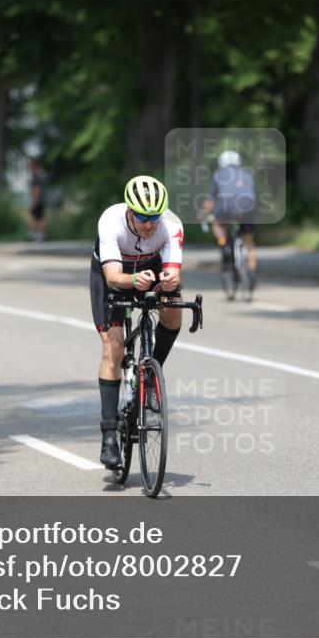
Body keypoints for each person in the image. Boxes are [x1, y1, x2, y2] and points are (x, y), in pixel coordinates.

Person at [90, 175, 184, 468]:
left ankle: (151, 376)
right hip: (114, 274)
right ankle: (108, 437)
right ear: (129, 210)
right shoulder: (110, 221)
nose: (148, 223)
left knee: (174, 308)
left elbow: (173, 270)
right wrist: (133, 280)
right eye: (142, 216)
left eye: (154, 216)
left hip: (149, 266)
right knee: (113, 347)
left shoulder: (171, 226)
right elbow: (113, 277)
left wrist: (170, 281)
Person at [200, 150, 257, 299]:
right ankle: (251, 274)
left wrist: (204, 214)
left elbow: (210, 201)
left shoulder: (219, 174)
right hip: (248, 206)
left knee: (217, 223)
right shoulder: (246, 173)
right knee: (249, 243)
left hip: (227, 206)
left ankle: (223, 242)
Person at [28, 158, 47, 242]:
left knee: (37, 218)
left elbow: (36, 190)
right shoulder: (41, 176)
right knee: (40, 217)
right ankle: (40, 235)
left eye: (32, 167)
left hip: (37, 200)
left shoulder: (36, 177)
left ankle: (38, 236)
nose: (30, 168)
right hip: (41, 200)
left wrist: (35, 201)